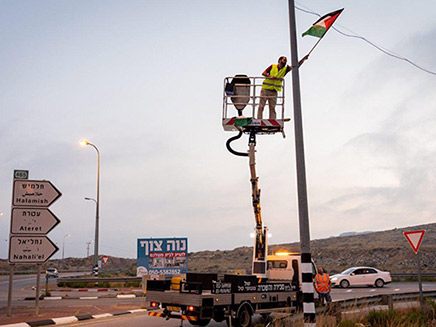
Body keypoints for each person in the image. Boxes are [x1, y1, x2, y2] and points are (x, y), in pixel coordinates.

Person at [257, 55, 309, 119]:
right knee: (261, 106)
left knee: (272, 107)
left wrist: (303, 59)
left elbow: (295, 66)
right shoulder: (273, 66)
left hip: (274, 91)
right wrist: (271, 77)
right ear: (279, 60)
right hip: (265, 89)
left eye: (286, 61)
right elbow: (263, 73)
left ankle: (272, 120)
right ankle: (259, 119)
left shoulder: (285, 69)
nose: (285, 62)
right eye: (284, 60)